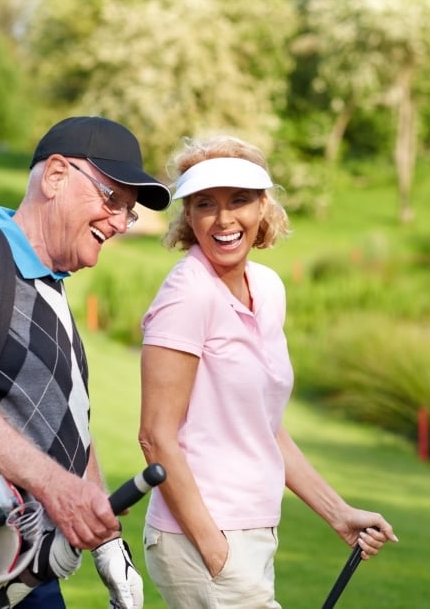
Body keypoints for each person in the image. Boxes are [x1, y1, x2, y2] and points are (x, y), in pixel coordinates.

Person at [0, 116, 170, 609]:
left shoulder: (48, 283)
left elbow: (67, 421)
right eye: (112, 200)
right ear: (54, 176)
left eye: (128, 213)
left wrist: (108, 543)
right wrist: (58, 489)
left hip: (26, 569)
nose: (118, 223)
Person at [138, 135, 398, 608]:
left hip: (253, 534)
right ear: (189, 217)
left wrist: (338, 514)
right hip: (203, 538)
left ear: (263, 208)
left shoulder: (268, 288)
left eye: (239, 200)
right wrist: (214, 548)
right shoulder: (187, 296)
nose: (223, 219)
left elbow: (265, 427)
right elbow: (156, 438)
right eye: (205, 204)